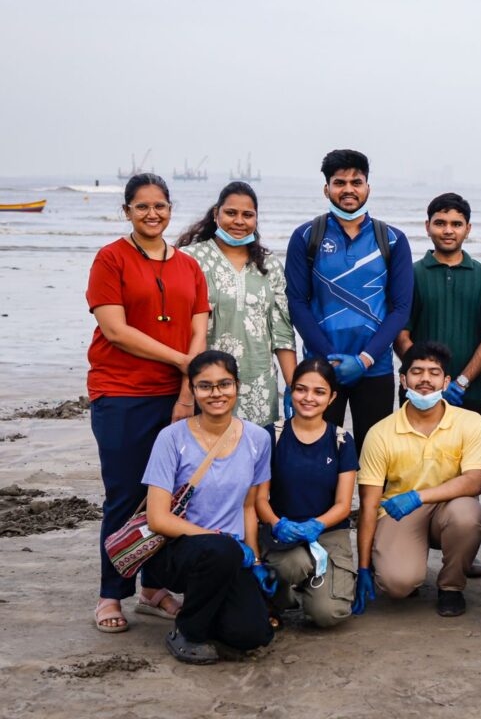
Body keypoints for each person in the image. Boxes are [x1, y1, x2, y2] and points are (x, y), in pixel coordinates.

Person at [87, 173, 210, 633]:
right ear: (127, 212)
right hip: (121, 393)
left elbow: (199, 332)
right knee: (125, 494)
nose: (152, 214)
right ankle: (111, 594)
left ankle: (154, 589)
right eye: (142, 207)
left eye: (160, 206)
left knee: (169, 497)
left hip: (176, 396)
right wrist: (181, 361)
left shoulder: (189, 267)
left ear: (170, 210)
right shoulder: (110, 258)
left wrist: (186, 391)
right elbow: (115, 330)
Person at [140, 351, 274, 664]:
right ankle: (187, 632)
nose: (216, 393)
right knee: (220, 550)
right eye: (205, 386)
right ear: (193, 390)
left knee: (253, 635)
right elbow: (157, 518)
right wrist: (218, 538)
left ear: (237, 385)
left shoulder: (258, 438)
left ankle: (208, 607)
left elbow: (249, 507)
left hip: (230, 554)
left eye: (224, 384)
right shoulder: (171, 438)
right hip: (177, 551)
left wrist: (254, 560)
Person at [284, 149, 414, 447]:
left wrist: (365, 359)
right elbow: (297, 303)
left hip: (375, 367)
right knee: (319, 453)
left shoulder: (392, 239)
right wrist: (328, 358)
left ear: (368, 187)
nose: (348, 189)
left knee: (374, 455)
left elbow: (401, 307)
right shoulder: (306, 236)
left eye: (356, 182)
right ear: (326, 189)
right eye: (339, 182)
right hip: (320, 368)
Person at [355, 341, 481, 617]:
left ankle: (451, 586)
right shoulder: (380, 433)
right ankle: (404, 562)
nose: (425, 379)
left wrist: (418, 497)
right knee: (397, 584)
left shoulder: (470, 422)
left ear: (446, 381)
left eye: (434, 372)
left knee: (468, 514)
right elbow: (369, 505)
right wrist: (364, 566)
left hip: (449, 508)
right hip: (399, 512)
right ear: (403, 380)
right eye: (416, 372)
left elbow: (474, 482)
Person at [178, 181, 296, 426]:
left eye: (247, 215)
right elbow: (180, 330)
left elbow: (282, 333)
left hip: (259, 385)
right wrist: (185, 395)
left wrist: (294, 387)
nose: (239, 221)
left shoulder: (269, 264)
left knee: (257, 448)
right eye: (231, 213)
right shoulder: (189, 259)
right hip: (207, 385)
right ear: (216, 213)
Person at [255, 358, 358, 628]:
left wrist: (317, 524)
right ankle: (281, 597)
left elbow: (343, 505)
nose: (308, 398)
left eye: (319, 392)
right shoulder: (272, 435)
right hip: (282, 534)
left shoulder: (341, 440)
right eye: (301, 389)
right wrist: (277, 524)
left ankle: (316, 587)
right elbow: (260, 499)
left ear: (332, 397)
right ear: (291, 391)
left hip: (328, 533)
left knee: (328, 613)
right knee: (293, 565)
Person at [395, 193, 481, 421]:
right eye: (440, 223)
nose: (448, 230)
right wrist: (430, 379)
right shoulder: (410, 275)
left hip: (471, 393)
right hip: (418, 393)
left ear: (468, 229)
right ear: (427, 226)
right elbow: (400, 335)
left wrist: (461, 382)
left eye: (456, 224)